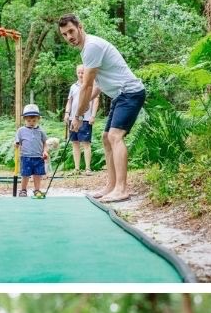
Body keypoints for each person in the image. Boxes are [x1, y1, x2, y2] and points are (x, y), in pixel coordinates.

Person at [58, 14, 146, 203]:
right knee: (106, 138)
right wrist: (77, 114)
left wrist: (78, 115)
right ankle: (111, 186)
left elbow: (86, 86)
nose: (69, 37)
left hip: (130, 92)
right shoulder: (86, 50)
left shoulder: (92, 47)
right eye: (64, 35)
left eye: (71, 31)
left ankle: (122, 189)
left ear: (80, 27)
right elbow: (96, 87)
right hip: (120, 95)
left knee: (115, 136)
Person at [64, 65, 100, 175]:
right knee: (75, 142)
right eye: (79, 72)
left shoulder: (92, 85)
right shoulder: (73, 87)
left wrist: (93, 115)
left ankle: (88, 168)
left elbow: (95, 101)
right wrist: (66, 113)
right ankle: (77, 168)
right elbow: (69, 101)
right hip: (72, 118)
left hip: (85, 118)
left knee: (86, 143)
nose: (81, 75)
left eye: (83, 72)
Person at [14, 104, 49, 197]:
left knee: (37, 175)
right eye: (29, 120)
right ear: (24, 119)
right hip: (26, 157)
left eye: (34, 120)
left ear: (38, 119)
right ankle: (23, 190)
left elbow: (45, 143)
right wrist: (16, 145)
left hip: (38, 157)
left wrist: (45, 151)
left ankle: (37, 190)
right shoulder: (21, 130)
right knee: (25, 174)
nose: (31, 122)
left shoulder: (41, 131)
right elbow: (17, 142)